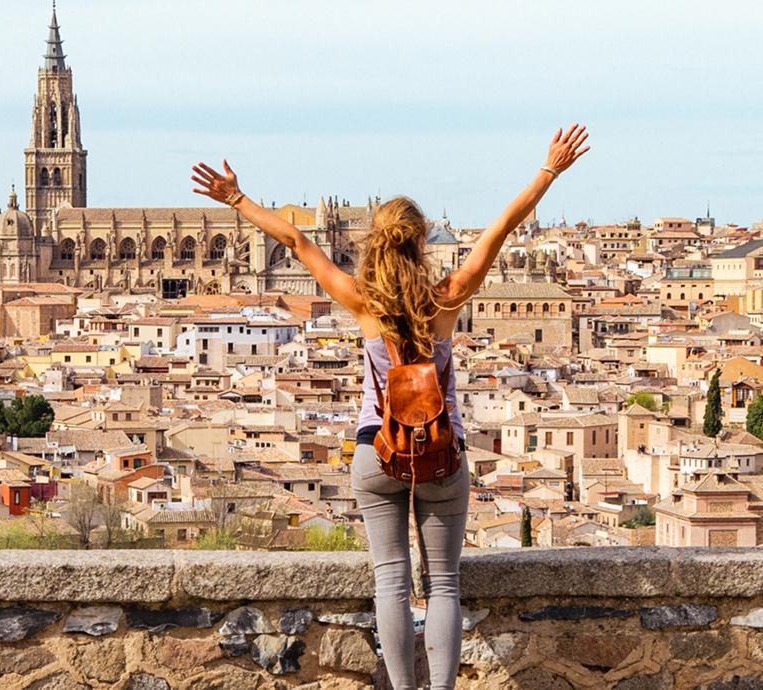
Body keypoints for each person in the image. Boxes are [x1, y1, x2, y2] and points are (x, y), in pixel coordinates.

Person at [191, 124, 589, 690]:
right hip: (441, 452)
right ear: (421, 241)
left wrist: (236, 198)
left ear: (375, 244)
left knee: (391, 582)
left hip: (375, 450)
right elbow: (502, 228)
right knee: (444, 583)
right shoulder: (447, 298)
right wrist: (548, 170)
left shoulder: (360, 301)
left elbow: (300, 244)